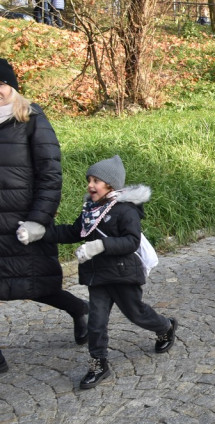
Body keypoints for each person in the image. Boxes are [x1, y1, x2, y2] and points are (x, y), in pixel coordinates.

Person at [46, 155, 177, 389]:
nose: (90, 184)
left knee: (136, 314)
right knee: (95, 323)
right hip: (98, 277)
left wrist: (101, 245)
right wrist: (42, 232)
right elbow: (75, 232)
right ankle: (99, 363)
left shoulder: (126, 210)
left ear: (111, 184)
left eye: (96, 180)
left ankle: (165, 327)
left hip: (123, 274)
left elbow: (131, 242)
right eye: (89, 179)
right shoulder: (91, 210)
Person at [0, 60, 90, 374]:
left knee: (37, 283)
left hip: (22, 223)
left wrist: (39, 220)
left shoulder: (32, 119)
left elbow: (50, 176)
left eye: (1, 84)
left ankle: (80, 309)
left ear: (12, 85)